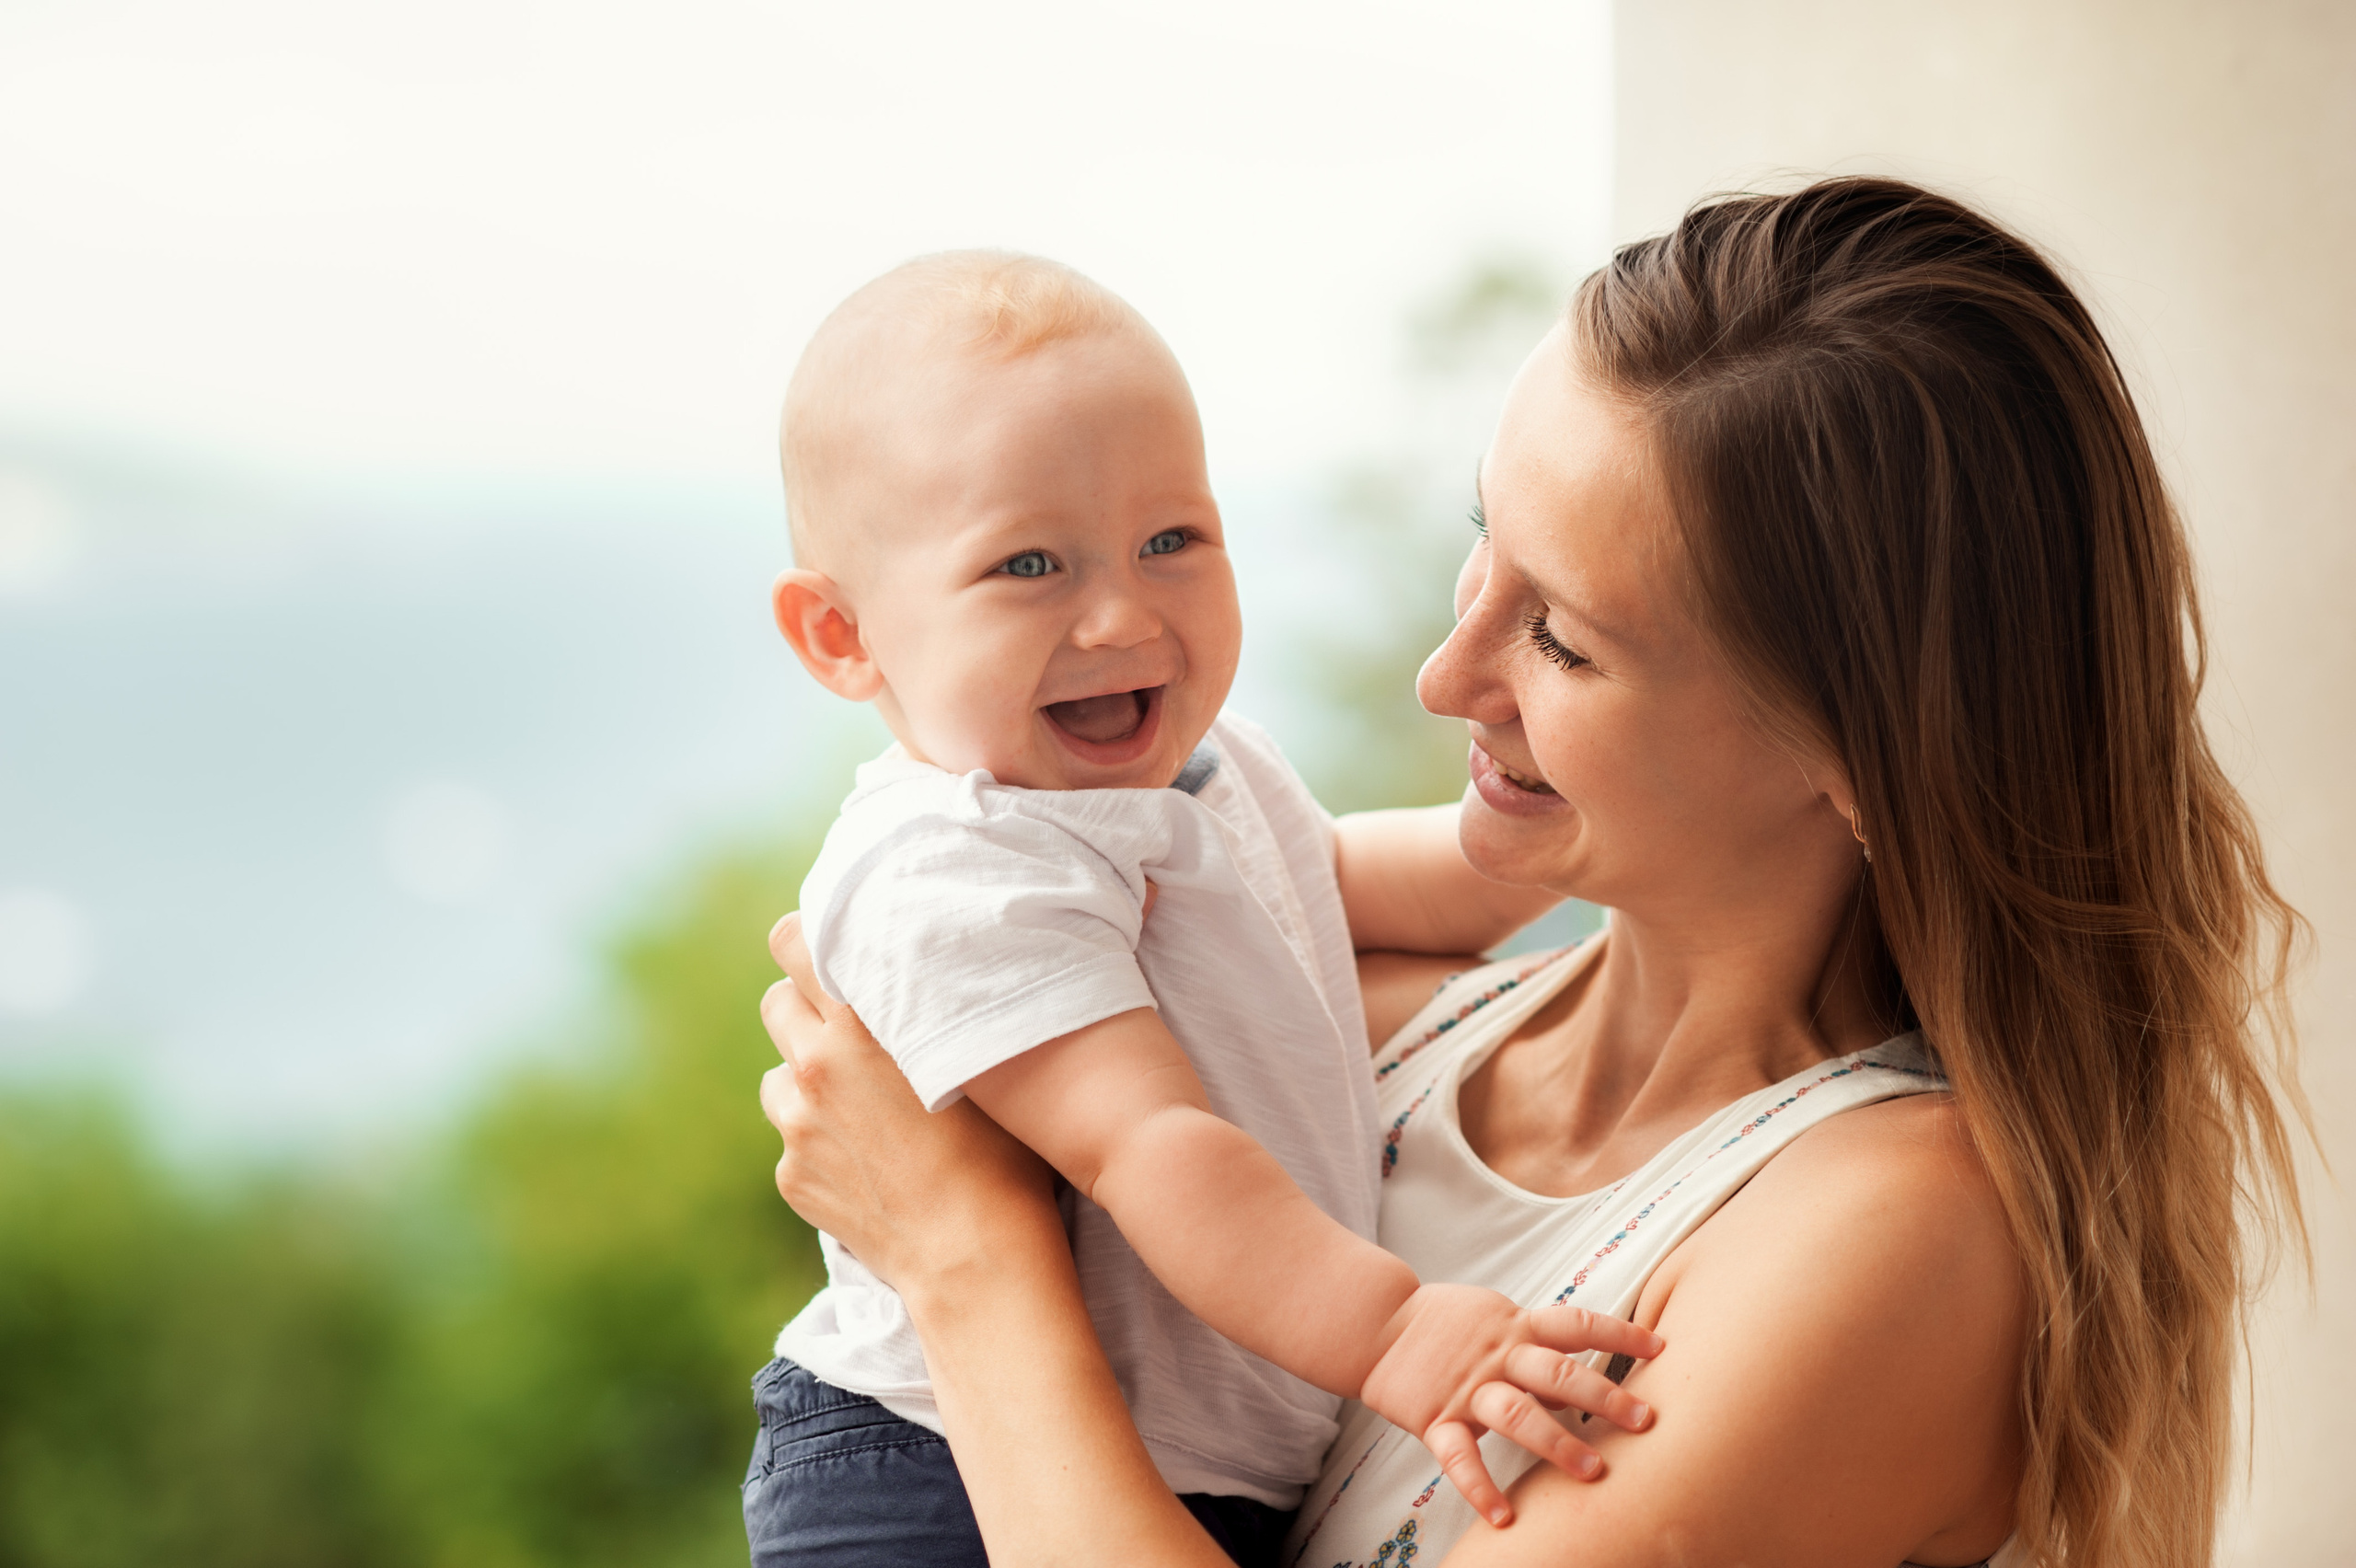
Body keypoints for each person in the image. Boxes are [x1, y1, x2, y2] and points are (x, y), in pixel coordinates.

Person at [756, 179, 2307, 1568]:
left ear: (1865, 752)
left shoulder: (1889, 1245)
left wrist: (965, 1261)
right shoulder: (1377, 1028)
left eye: (1561, 636)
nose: (1443, 677)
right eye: (1479, 542)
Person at [747, 252, 1663, 1568]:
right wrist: (1399, 1334)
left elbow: (1330, 889)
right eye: (1029, 565)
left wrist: (1553, 828)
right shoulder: (958, 869)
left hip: (1177, 1456)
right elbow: (1151, 1142)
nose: (1122, 613)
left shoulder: (1196, 769)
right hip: (930, 1467)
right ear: (844, 637)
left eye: (1171, 540)